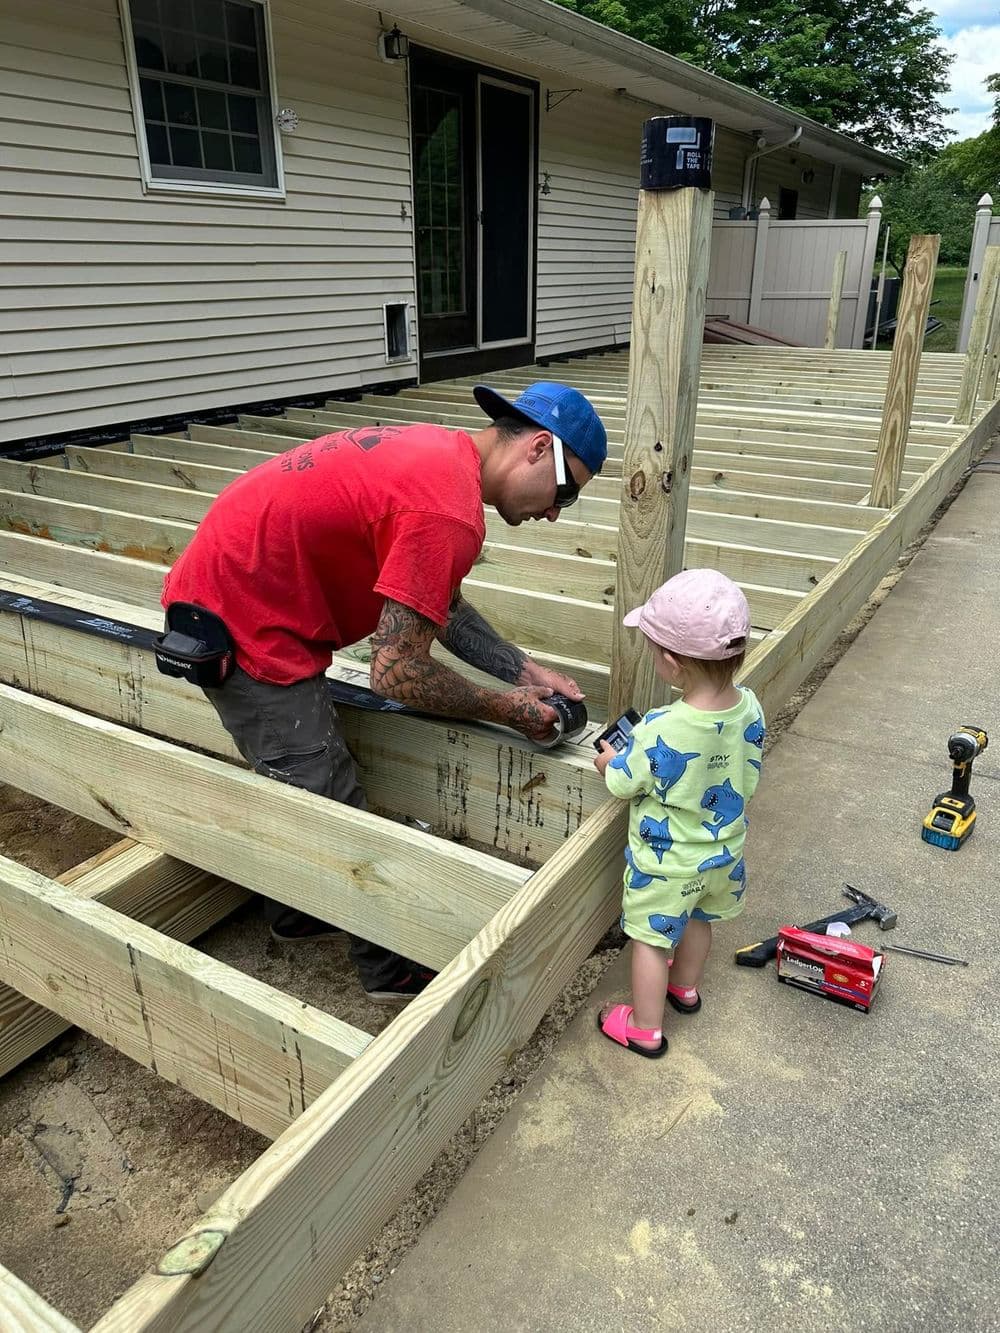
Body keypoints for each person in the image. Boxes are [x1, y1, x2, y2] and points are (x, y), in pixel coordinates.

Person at [162, 381, 608, 1000]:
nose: (557, 512)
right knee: (330, 796)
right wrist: (504, 709)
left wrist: (523, 671)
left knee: (301, 776)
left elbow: (435, 599)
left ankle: (300, 914)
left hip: (246, 577)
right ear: (537, 448)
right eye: (566, 491)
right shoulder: (448, 510)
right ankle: (387, 970)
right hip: (241, 617)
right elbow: (394, 671)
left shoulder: (445, 456)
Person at [594, 569, 765, 1056]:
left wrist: (609, 760)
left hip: (667, 865)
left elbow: (624, 781)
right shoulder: (750, 707)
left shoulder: (660, 727)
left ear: (670, 662)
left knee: (650, 939)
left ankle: (646, 1028)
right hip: (724, 853)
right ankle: (684, 988)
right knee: (699, 917)